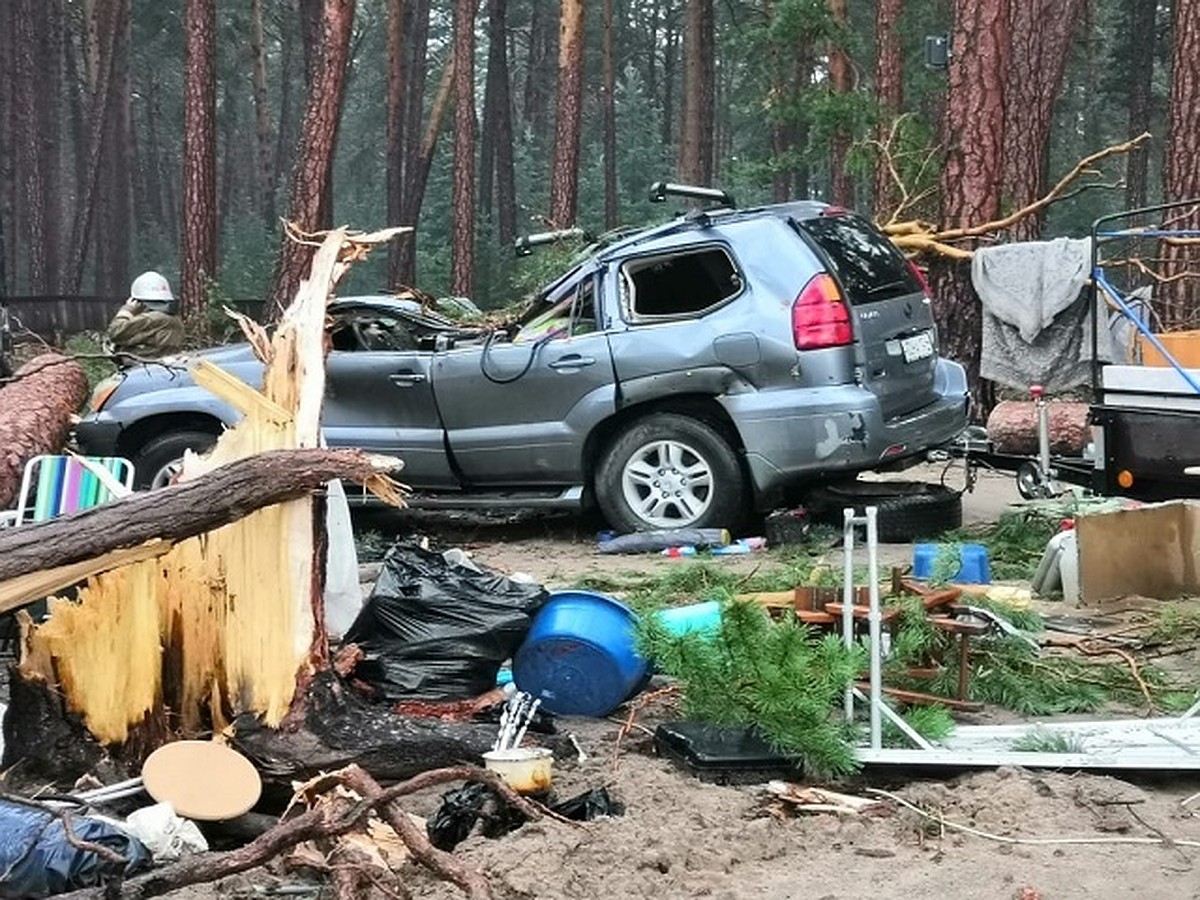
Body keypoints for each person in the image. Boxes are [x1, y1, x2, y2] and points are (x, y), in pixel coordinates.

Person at [107, 271, 185, 359]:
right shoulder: (173, 318)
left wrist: (127, 310)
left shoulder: (151, 319)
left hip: (144, 367)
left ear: (138, 301)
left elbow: (115, 332)